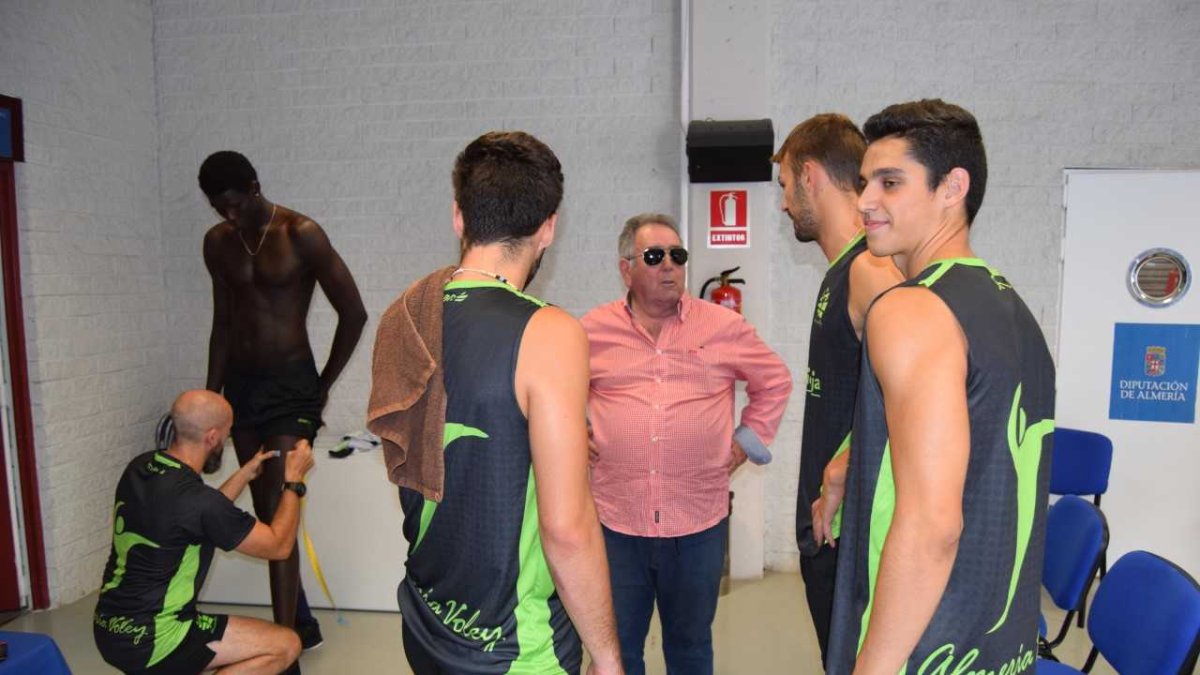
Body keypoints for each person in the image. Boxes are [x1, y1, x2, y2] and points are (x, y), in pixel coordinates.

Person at [372, 131, 623, 674]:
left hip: (427, 619)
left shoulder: (405, 317)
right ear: (549, 226)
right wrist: (607, 657)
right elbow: (566, 529)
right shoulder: (548, 332)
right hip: (514, 646)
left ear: (459, 217)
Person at [825, 99, 1055, 673]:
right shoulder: (1009, 305)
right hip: (1002, 646)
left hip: (927, 647)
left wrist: (873, 666)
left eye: (891, 182)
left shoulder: (911, 310)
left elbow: (932, 526)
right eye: (863, 183)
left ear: (953, 187)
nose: (866, 201)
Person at [583, 213, 793, 675]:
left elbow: (774, 380)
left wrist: (745, 442)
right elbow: (555, 391)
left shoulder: (722, 326)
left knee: (691, 646)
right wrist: (574, 434)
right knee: (616, 651)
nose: (669, 267)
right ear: (626, 269)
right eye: (654, 257)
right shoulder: (591, 331)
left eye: (677, 256)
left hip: (697, 522)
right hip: (617, 524)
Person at [200, 150, 367, 648]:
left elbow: (353, 313)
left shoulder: (301, 233)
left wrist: (322, 384)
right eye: (217, 207)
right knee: (269, 511)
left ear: (254, 186)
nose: (228, 215)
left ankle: (284, 647)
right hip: (242, 385)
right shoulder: (217, 244)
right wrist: (213, 403)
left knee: (277, 506)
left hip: (291, 383)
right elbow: (222, 325)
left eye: (234, 204)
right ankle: (303, 625)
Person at [773, 113, 903, 667]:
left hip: (852, 531)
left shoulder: (872, 270)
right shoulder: (843, 272)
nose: (783, 205)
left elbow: (917, 385)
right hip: (829, 532)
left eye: (783, 186)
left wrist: (841, 465)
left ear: (809, 175)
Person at [94, 390, 314, 674]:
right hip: (155, 638)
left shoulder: (140, 467)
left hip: (109, 628)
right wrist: (293, 481)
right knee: (286, 644)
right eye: (226, 433)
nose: (226, 440)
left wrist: (244, 474)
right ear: (212, 437)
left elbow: (197, 516)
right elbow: (278, 546)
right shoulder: (199, 502)